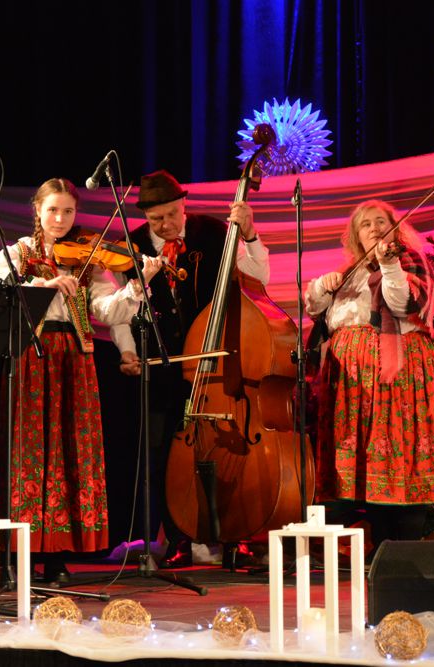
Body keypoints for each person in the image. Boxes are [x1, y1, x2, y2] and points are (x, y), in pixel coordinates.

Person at [0, 177, 162, 582]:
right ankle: (22, 553)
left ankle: (57, 555)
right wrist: (45, 285)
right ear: (37, 209)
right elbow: (0, 296)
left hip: (75, 359)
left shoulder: (86, 260)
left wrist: (139, 286)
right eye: (53, 209)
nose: (60, 218)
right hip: (32, 356)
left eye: (68, 211)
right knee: (32, 452)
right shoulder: (15, 254)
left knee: (70, 453)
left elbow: (109, 311)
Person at [109, 169, 271, 568]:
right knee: (165, 452)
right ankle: (179, 537)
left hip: (216, 359)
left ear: (184, 206)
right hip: (163, 365)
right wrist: (128, 351)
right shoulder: (128, 247)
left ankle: (233, 534)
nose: (166, 225)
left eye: (172, 215)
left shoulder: (213, 232)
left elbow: (259, 277)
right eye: (156, 219)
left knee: (226, 446)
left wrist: (250, 235)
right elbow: (122, 311)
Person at [304, 199, 434, 549]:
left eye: (381, 221)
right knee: (360, 462)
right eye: (365, 224)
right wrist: (321, 288)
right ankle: (371, 545)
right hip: (350, 384)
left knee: (398, 455)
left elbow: (401, 304)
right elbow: (317, 312)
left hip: (397, 378)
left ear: (395, 229)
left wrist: (389, 263)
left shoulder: (410, 265)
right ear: (356, 235)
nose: (374, 228)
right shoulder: (349, 273)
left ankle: (403, 549)